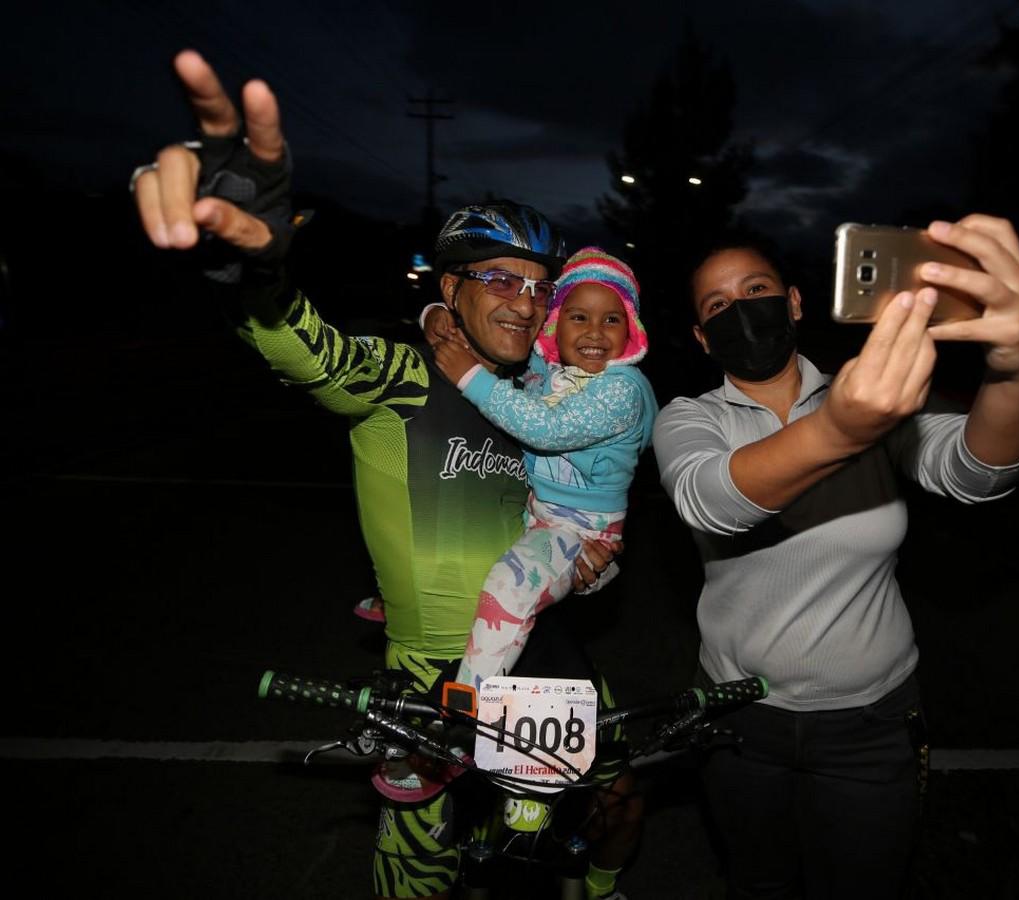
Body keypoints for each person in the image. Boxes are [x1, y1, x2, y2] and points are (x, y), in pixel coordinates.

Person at [131, 49, 639, 900]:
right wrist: (257, 271)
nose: (525, 302)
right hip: (430, 686)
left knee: (616, 801)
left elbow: (585, 514)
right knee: (420, 877)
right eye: (500, 278)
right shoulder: (403, 375)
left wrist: (598, 564)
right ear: (451, 285)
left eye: (542, 288)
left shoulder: (554, 394)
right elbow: (305, 348)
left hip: (540, 657)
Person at [653, 219, 1019, 899]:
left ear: (796, 302)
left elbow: (979, 471)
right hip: (738, 719)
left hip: (871, 723)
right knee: (759, 881)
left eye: (757, 288)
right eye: (717, 306)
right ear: (699, 335)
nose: (741, 310)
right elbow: (708, 501)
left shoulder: (870, 394)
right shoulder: (690, 418)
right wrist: (837, 431)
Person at [432, 247, 657, 690]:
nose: (595, 331)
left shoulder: (622, 389)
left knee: (508, 589)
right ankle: (414, 608)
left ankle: (466, 706)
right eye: (578, 317)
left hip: (581, 528)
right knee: (465, 545)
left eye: (611, 319)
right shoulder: (548, 367)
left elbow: (547, 430)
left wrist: (469, 376)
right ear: (556, 324)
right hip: (540, 513)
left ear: (631, 329)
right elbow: (504, 328)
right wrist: (435, 313)